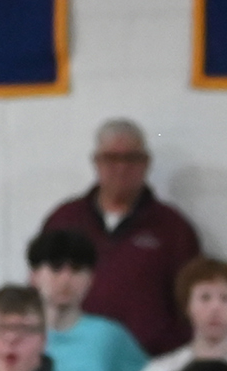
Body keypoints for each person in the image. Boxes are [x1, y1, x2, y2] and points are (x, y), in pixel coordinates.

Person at [39, 119, 205, 356]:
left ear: (146, 163)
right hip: (74, 360)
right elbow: (40, 290)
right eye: (111, 158)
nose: (121, 168)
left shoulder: (174, 228)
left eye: (131, 159)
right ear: (96, 163)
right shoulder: (64, 220)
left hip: (149, 362)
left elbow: (193, 301)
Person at [13, 228, 150, 371]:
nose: (66, 279)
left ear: (91, 279)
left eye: (77, 269)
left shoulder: (109, 337)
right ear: (34, 276)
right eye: (56, 268)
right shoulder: (10, 332)